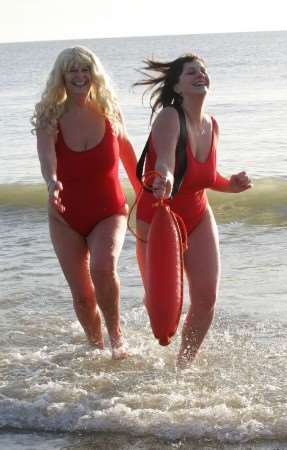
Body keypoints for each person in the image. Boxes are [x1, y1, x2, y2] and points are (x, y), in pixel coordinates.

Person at [135, 54, 252, 368]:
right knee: (160, 306)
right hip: (159, 221)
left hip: (198, 216)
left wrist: (232, 184)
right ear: (177, 85)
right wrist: (165, 181)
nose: (200, 75)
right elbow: (165, 164)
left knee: (206, 299)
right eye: (191, 72)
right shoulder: (169, 117)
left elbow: (207, 176)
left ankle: (182, 368)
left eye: (203, 70)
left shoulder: (212, 125)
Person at [32, 46, 140, 359]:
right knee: (81, 296)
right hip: (65, 217)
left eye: (84, 70)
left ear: (94, 74)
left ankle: (116, 339)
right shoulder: (50, 117)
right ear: (61, 77)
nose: (79, 76)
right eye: (72, 71)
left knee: (103, 268)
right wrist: (51, 181)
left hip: (108, 212)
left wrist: (145, 194)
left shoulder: (109, 111)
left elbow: (129, 154)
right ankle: (96, 347)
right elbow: (46, 155)